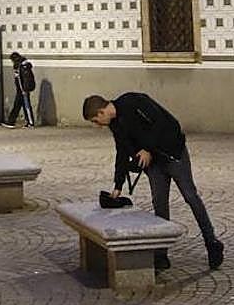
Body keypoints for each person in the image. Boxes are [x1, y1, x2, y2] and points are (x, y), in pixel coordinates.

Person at [83, 92, 224, 272]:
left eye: (95, 121)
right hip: (154, 164)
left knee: (190, 196)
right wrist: (118, 185)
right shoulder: (116, 125)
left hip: (173, 154)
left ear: (102, 112)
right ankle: (161, 255)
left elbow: (161, 122)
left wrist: (147, 149)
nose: (98, 126)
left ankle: (211, 242)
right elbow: (121, 152)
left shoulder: (132, 101)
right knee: (160, 204)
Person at [2, 51, 36, 128]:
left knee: (26, 106)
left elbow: (23, 79)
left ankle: (30, 122)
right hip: (21, 89)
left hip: (23, 89)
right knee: (18, 105)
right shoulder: (20, 66)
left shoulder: (22, 67)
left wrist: (24, 89)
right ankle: (11, 121)